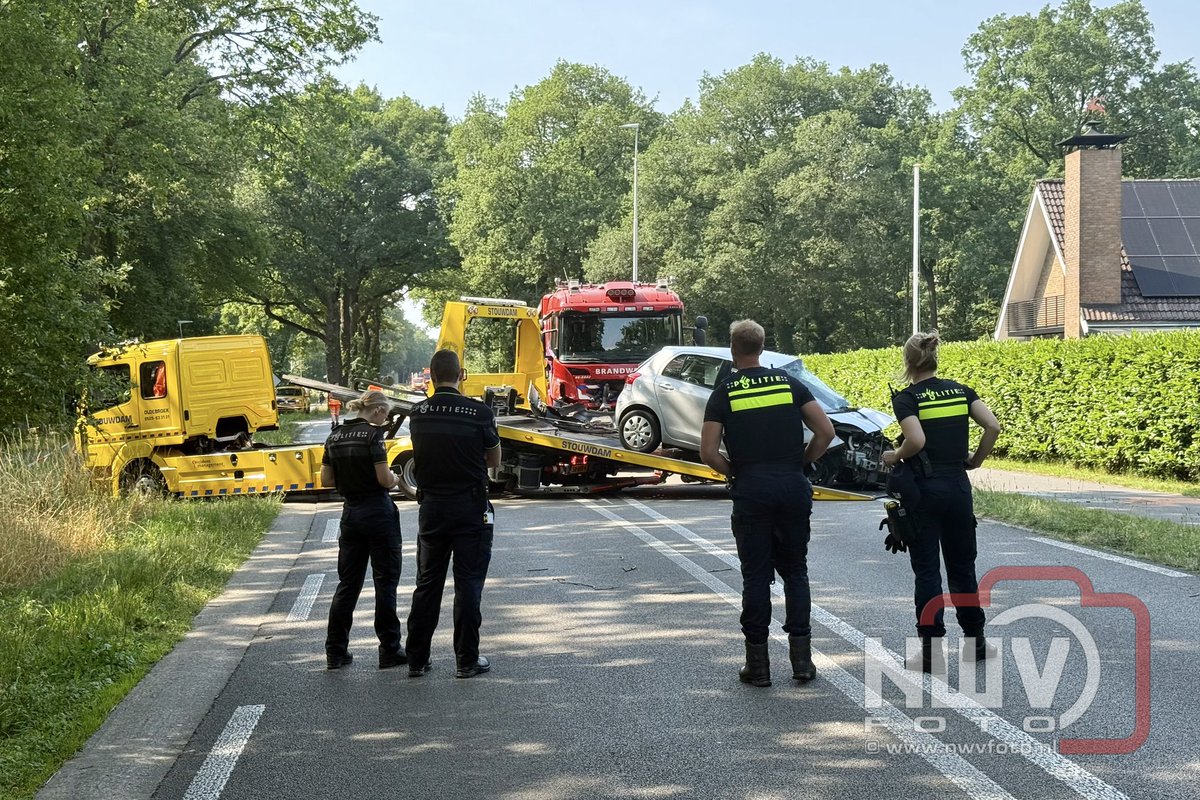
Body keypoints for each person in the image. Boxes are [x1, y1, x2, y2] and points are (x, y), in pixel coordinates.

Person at [700, 320, 835, 688]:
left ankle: (757, 665)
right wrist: (802, 463)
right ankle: (802, 661)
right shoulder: (790, 384)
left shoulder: (724, 391)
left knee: (756, 576)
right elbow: (826, 432)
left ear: (732, 349)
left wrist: (736, 473)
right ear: (762, 347)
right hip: (792, 486)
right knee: (795, 571)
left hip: (752, 489)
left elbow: (708, 452)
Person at [881, 331, 1002, 673]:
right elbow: (992, 426)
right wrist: (976, 460)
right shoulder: (960, 391)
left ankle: (931, 653)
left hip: (924, 491)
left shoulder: (907, 398)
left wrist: (894, 455)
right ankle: (976, 643)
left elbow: (915, 440)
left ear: (908, 362)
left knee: (928, 571)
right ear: (935, 358)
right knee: (963, 567)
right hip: (958, 489)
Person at [404, 349, 501, 679]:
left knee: (427, 584)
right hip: (471, 509)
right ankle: (466, 660)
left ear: (431, 376)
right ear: (461, 375)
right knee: (468, 584)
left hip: (432, 509)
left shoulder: (418, 414)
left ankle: (416, 659)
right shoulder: (480, 413)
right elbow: (494, 459)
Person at [321, 389, 405, 670]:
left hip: (351, 514)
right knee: (385, 582)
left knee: (348, 584)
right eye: (387, 415)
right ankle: (389, 650)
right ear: (379, 410)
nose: (386, 420)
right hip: (378, 514)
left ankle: (335, 651)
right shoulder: (373, 435)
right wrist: (396, 477)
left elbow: (326, 478)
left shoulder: (334, 436)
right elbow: (384, 479)